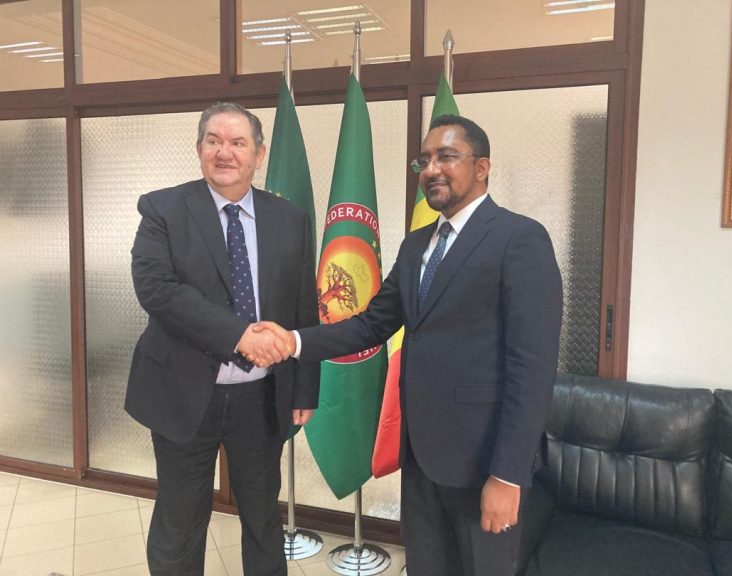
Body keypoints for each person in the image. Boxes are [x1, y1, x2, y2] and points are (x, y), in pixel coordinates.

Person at [251, 115, 563, 576]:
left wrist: (508, 475)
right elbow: (371, 324)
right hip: (421, 455)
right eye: (424, 160)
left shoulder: (519, 238)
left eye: (447, 156)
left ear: (481, 167)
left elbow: (532, 369)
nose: (431, 169)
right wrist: (294, 340)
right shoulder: (417, 245)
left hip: (483, 461)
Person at [125, 102, 319, 576]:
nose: (224, 152)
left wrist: (305, 388)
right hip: (184, 391)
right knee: (180, 518)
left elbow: (303, 308)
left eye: (237, 142)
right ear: (199, 149)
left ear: (259, 154)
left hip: (262, 396)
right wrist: (239, 336)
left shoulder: (290, 219)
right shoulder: (163, 209)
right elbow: (157, 291)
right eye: (213, 141)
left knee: (263, 516)